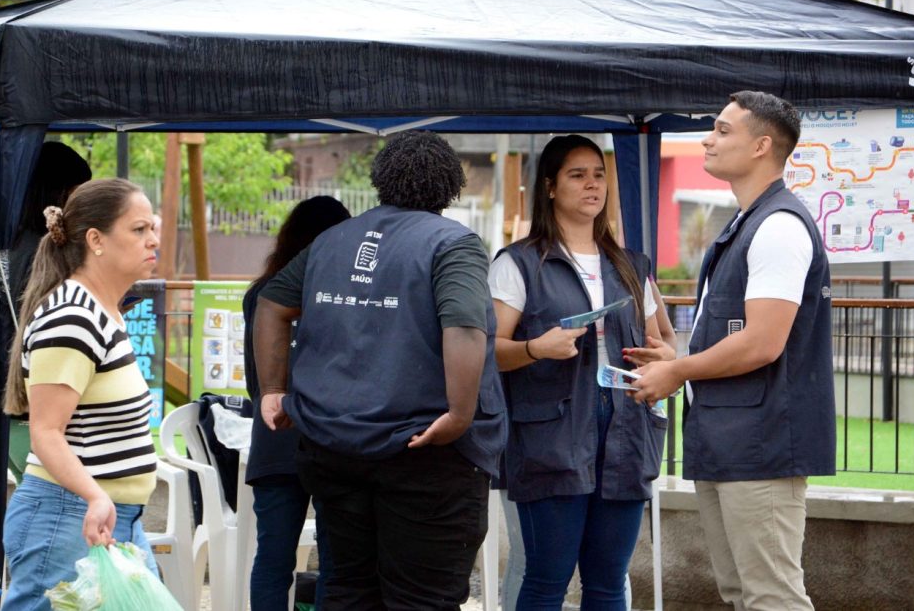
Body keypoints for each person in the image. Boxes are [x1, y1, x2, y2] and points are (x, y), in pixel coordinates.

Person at [253, 130, 507, 610]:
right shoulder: (452, 243)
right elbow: (465, 326)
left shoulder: (331, 240)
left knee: (348, 590)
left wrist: (272, 389)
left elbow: (271, 303)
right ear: (451, 186)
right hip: (425, 451)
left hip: (333, 446)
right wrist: (458, 414)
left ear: (381, 178)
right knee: (423, 599)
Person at [632, 91, 834, 611]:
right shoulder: (748, 221)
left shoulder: (779, 226)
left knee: (772, 597)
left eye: (723, 130)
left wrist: (678, 370)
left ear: (762, 146)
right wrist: (675, 360)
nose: (708, 138)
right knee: (742, 594)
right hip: (730, 442)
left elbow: (762, 342)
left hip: (762, 445)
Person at [489, 134, 672, 610]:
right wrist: (534, 347)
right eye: (577, 175)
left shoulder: (631, 265)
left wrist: (664, 359)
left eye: (598, 175)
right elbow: (487, 349)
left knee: (609, 581)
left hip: (627, 432)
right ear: (549, 187)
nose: (592, 185)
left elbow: (664, 342)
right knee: (547, 578)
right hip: (551, 436)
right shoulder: (520, 263)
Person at [1, 178, 161, 611]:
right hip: (69, 518)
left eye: (154, 228)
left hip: (107, 517)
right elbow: (46, 432)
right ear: (96, 240)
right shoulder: (73, 316)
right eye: (139, 229)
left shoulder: (103, 310)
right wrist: (94, 495)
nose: (154, 241)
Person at [243, 196, 349, 610]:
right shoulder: (344, 297)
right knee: (336, 562)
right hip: (331, 441)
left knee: (273, 557)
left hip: (273, 440)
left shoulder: (261, 294)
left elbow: (258, 379)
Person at [0, 141, 92, 482]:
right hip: (38, 387)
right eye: (75, 191)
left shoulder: (14, 241)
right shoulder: (47, 249)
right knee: (50, 491)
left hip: (15, 386)